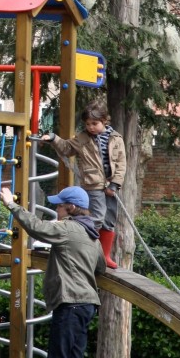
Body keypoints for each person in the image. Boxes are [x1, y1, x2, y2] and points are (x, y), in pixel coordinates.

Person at [0, 183, 105, 358]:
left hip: (70, 303)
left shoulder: (68, 228)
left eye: (59, 206)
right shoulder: (91, 234)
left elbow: (38, 228)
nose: (56, 209)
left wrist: (12, 204)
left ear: (69, 208)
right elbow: (100, 266)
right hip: (85, 303)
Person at [40, 100, 126, 268]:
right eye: (88, 124)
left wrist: (115, 184)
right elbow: (65, 148)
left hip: (111, 185)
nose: (91, 127)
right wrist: (53, 138)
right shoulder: (82, 138)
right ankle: (86, 252)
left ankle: (104, 256)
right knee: (96, 218)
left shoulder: (116, 138)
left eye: (95, 123)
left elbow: (122, 163)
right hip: (92, 184)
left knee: (109, 220)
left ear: (104, 121)